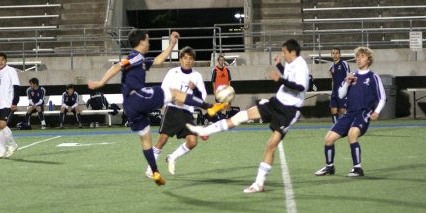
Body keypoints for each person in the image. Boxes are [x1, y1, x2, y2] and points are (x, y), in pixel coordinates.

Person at [87, 30, 226, 187]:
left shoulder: (142, 60)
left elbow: (159, 60)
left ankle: (154, 171)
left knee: (146, 140)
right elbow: (117, 66)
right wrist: (100, 83)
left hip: (130, 106)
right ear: (141, 42)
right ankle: (209, 107)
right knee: (174, 94)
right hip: (139, 97)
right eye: (148, 40)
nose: (149, 43)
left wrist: (172, 44)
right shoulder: (136, 56)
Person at [185, 38, 310, 193]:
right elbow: (289, 78)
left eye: (284, 52)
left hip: (289, 111)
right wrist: (279, 66)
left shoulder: (301, 66)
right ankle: (206, 131)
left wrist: (280, 80)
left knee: (271, 145)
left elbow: (300, 87)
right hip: (277, 102)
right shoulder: (292, 64)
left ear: (293, 52)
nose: (283, 55)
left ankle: (259, 184)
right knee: (243, 115)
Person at [315, 46, 386, 178]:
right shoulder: (352, 75)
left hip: (363, 114)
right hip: (349, 114)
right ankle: (329, 167)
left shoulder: (373, 77)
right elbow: (341, 95)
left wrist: (376, 111)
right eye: (357, 56)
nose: (359, 59)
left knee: (352, 135)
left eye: (362, 56)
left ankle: (357, 168)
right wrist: (347, 83)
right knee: (328, 139)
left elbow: (382, 97)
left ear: (369, 59)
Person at [144, 46, 208, 178]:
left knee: (192, 142)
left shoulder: (197, 76)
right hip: (172, 110)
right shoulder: (173, 73)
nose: (187, 61)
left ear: (193, 61)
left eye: (190, 58)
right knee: (162, 139)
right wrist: (174, 98)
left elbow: (203, 98)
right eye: (185, 58)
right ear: (180, 59)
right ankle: (150, 168)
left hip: (187, 113)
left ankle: (171, 157)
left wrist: (194, 90)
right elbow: (163, 90)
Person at [0, 52, 20, 158]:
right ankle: (2, 151)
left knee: (2, 125)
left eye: (2, 59)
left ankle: (13, 145)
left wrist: (15, 102)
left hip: (8, 103)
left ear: (6, 61)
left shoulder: (11, 71)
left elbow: (16, 87)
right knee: (0, 129)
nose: (0, 62)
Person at [329, 47, 350, 124]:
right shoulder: (331, 67)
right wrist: (332, 91)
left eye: (337, 53)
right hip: (334, 92)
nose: (335, 55)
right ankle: (336, 127)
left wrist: (348, 90)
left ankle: (347, 126)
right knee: (333, 110)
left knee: (342, 110)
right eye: (333, 53)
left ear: (340, 54)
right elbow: (332, 80)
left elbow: (349, 76)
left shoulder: (344, 63)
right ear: (331, 54)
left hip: (342, 92)